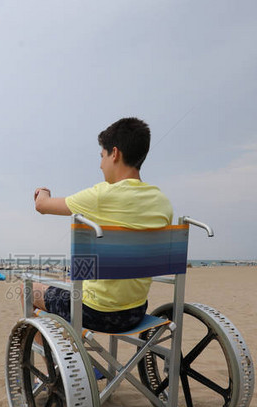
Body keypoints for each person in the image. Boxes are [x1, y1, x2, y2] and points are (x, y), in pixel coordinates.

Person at [29, 117, 173, 333]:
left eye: (102, 156)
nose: (100, 164)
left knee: (27, 289)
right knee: (69, 282)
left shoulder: (101, 196)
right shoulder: (163, 202)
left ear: (114, 153)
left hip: (95, 312)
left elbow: (42, 206)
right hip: (136, 311)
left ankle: (62, 365)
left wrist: (43, 191)